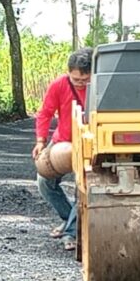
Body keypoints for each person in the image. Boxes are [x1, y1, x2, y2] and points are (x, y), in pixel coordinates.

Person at [33, 48, 91, 252]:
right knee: (44, 182)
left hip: (89, 145)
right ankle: (69, 219)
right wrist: (41, 141)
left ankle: (72, 233)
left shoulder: (103, 85)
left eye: (85, 80)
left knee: (82, 187)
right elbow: (45, 112)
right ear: (69, 73)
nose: (81, 84)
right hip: (62, 141)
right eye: (76, 80)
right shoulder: (59, 84)